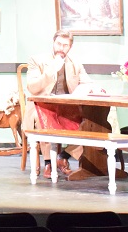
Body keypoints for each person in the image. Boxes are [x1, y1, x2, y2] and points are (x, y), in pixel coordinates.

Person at [24, 28, 91, 178]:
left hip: (66, 108)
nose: (61, 48)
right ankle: (48, 162)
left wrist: (79, 92)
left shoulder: (75, 64)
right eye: (59, 44)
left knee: (90, 122)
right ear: (53, 43)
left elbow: (87, 83)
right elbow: (32, 87)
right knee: (42, 118)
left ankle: (63, 156)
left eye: (65, 45)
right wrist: (50, 71)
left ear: (70, 47)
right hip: (41, 105)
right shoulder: (36, 60)